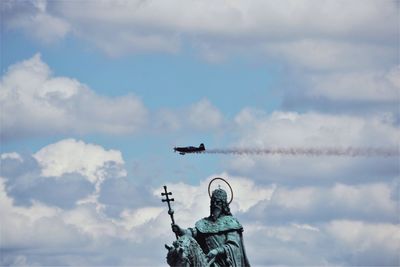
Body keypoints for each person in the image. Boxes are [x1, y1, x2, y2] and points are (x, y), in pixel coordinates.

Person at [172, 188, 250, 267]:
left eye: (218, 202)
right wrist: (180, 230)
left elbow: (233, 245)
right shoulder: (204, 223)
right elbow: (192, 233)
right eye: (213, 202)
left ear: (224, 204)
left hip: (224, 263)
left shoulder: (231, 222)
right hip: (207, 261)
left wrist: (217, 251)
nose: (215, 204)